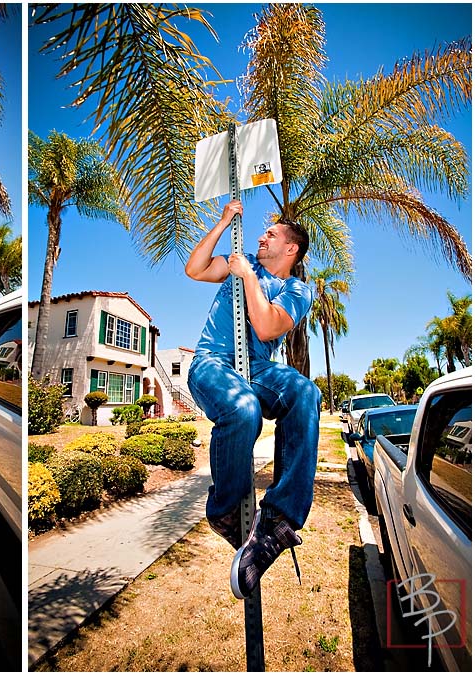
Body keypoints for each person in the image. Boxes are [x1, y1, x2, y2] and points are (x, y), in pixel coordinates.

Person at [184, 199, 321, 600]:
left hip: (258, 368)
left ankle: (279, 521)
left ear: (291, 249)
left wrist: (248, 278)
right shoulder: (239, 260)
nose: (262, 236)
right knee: (242, 410)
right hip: (212, 361)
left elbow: (265, 328)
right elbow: (194, 269)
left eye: (272, 234)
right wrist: (224, 221)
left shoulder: (297, 289)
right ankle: (225, 509)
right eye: (263, 233)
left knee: (304, 392)